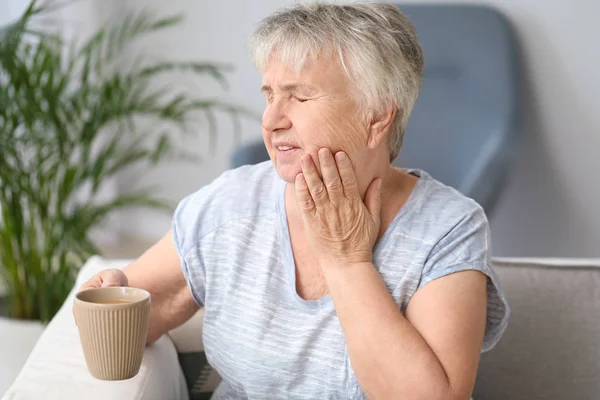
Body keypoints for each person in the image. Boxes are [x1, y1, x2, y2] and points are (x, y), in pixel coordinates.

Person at [78, 3, 509, 399]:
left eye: (299, 97)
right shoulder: (231, 202)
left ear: (377, 117)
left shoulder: (448, 228)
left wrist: (347, 261)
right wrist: (112, 297)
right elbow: (143, 312)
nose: (271, 120)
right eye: (269, 95)